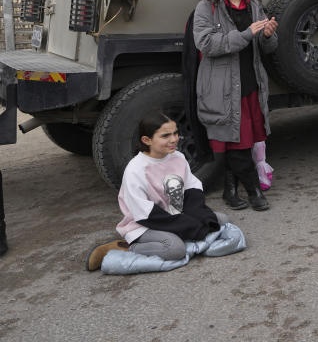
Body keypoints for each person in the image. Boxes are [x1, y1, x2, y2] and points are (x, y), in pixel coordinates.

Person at [86, 113, 229, 271]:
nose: (174, 139)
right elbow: (145, 215)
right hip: (146, 223)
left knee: (221, 220)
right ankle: (124, 247)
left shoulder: (178, 157)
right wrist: (189, 226)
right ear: (146, 140)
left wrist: (198, 217)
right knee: (175, 249)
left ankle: (183, 233)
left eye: (175, 133)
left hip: (174, 215)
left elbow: (191, 189)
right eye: (165, 135)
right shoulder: (136, 170)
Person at [194, 0, 276, 211]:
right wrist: (245, 34)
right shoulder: (207, 7)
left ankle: (230, 191)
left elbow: (268, 47)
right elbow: (205, 44)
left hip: (250, 83)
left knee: (240, 141)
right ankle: (253, 191)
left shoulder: (254, 5)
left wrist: (268, 35)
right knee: (237, 144)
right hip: (223, 87)